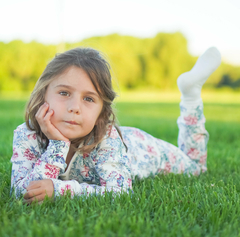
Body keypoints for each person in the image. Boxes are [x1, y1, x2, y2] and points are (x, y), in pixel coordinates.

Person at [10, 47, 221, 204]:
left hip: (141, 149)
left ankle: (190, 95)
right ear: (43, 93)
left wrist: (59, 189)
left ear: (102, 110)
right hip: (123, 142)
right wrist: (57, 144)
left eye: (89, 99)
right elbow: (23, 191)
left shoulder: (107, 139)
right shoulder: (26, 135)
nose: (74, 107)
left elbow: (118, 192)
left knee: (196, 168)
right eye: (64, 93)